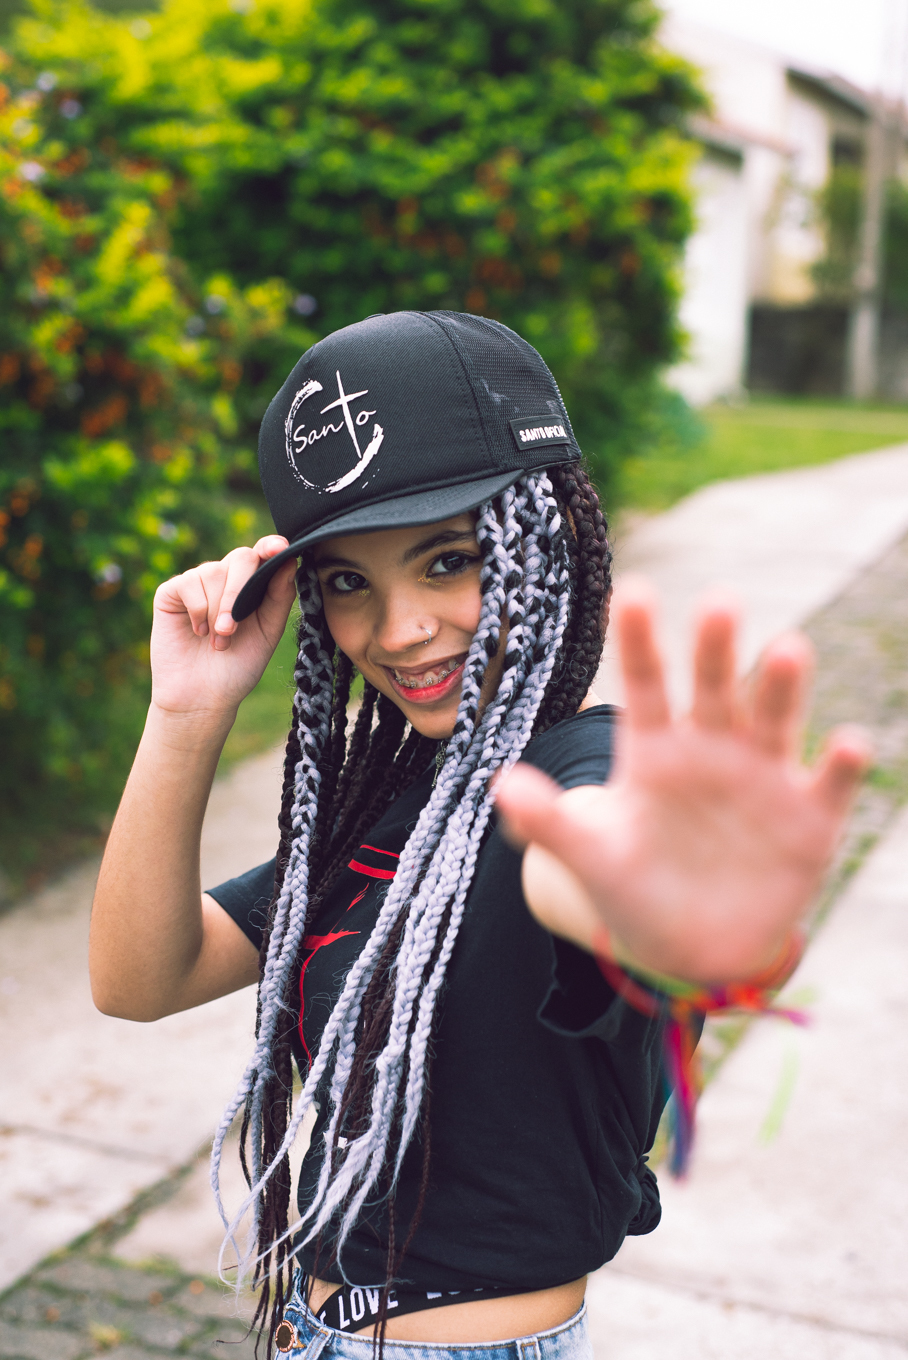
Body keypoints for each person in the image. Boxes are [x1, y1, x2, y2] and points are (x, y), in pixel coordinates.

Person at [89, 312, 867, 1360]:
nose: (398, 629)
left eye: (447, 560)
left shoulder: (581, 775)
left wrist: (678, 911)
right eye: (348, 583)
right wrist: (185, 714)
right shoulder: (385, 807)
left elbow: (592, 870)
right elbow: (141, 976)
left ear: (542, 538)